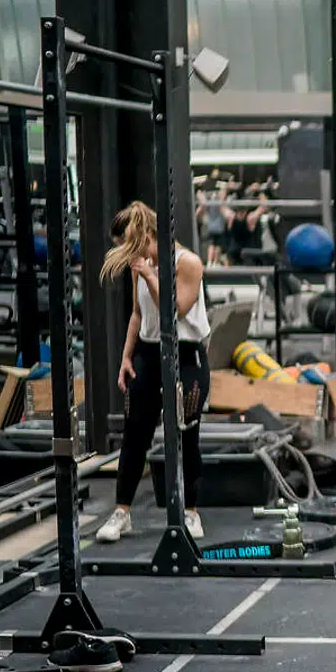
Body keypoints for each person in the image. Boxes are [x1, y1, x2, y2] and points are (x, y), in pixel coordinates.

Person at [96, 201, 211, 543]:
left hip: (186, 354)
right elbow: (137, 313)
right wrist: (126, 357)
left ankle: (191, 513)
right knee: (134, 436)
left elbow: (174, 311)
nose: (124, 253)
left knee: (187, 436)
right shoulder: (138, 267)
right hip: (147, 353)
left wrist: (149, 274)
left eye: (127, 244)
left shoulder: (188, 263)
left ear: (146, 235)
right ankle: (122, 512)